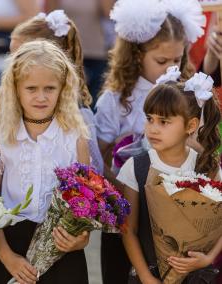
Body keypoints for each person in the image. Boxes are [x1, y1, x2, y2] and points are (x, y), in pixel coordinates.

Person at [94, 0, 205, 282]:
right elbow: (98, 158)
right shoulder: (117, 101)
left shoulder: (188, 95)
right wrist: (123, 185)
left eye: (177, 60)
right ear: (135, 54)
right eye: (161, 61)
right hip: (127, 211)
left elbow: (203, 150)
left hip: (178, 218)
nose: (171, 67)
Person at [0, 40, 90, 284]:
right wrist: (5, 254)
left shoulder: (75, 139)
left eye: (50, 88)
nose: (41, 97)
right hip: (13, 252)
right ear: (16, 89)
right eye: (31, 88)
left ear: (63, 89)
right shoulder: (1, 140)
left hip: (62, 249)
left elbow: (85, 203)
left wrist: (80, 239)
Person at [118, 69, 222, 283]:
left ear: (191, 125)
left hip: (196, 277)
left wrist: (208, 258)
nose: (153, 129)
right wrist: (147, 277)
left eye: (164, 122)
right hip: (149, 276)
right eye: (149, 119)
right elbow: (128, 230)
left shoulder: (207, 167)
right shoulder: (136, 167)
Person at [9, 9, 103, 174]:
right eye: (12, 55)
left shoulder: (78, 119)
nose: (13, 63)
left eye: (20, 55)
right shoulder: (11, 111)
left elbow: (95, 172)